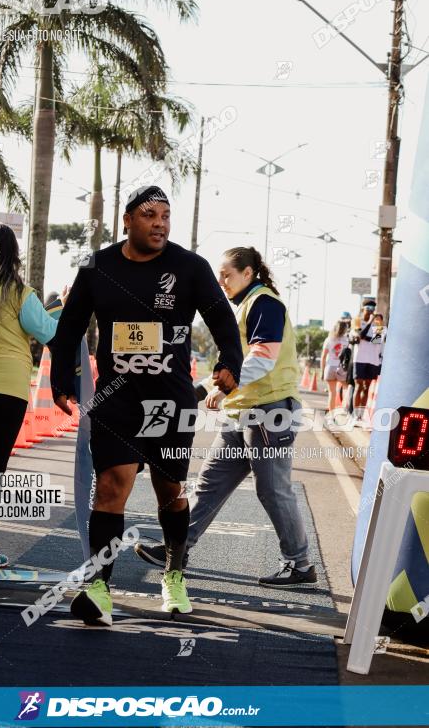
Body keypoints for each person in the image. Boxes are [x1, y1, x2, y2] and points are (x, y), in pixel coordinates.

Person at [50, 186, 243, 626]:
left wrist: (230, 361)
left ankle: (174, 574)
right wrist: (61, 377)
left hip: (168, 399)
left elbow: (222, 319)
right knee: (112, 487)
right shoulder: (97, 266)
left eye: (165, 216)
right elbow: (72, 324)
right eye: (149, 215)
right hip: (116, 398)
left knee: (169, 492)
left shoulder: (189, 267)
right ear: (127, 221)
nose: (159, 223)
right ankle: (98, 589)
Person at [135, 246, 317, 588]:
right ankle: (178, 547)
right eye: (219, 274)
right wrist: (203, 388)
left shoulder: (264, 304)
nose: (221, 280)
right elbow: (237, 361)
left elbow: (261, 359)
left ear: (248, 273)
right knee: (209, 483)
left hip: (269, 411)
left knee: (273, 491)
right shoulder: (244, 307)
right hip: (243, 413)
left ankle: (300, 564)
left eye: (227, 274)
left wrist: (218, 388)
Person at [0, 222, 60, 568]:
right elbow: (51, 334)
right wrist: (61, 304)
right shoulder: (21, 293)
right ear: (13, 253)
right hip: (7, 390)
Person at [351, 301, 382, 422]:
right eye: (368, 308)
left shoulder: (378, 324)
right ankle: (355, 413)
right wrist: (369, 322)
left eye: (372, 308)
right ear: (363, 309)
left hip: (372, 359)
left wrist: (376, 323)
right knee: (358, 386)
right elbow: (360, 335)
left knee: (367, 387)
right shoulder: (357, 320)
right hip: (360, 359)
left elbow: (377, 341)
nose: (370, 311)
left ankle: (360, 415)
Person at [320, 320, 349, 413]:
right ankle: (344, 412)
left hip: (330, 367)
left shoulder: (328, 339)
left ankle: (331, 415)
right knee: (346, 389)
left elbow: (323, 357)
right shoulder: (346, 340)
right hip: (341, 367)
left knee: (332, 393)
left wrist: (322, 371)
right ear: (345, 329)